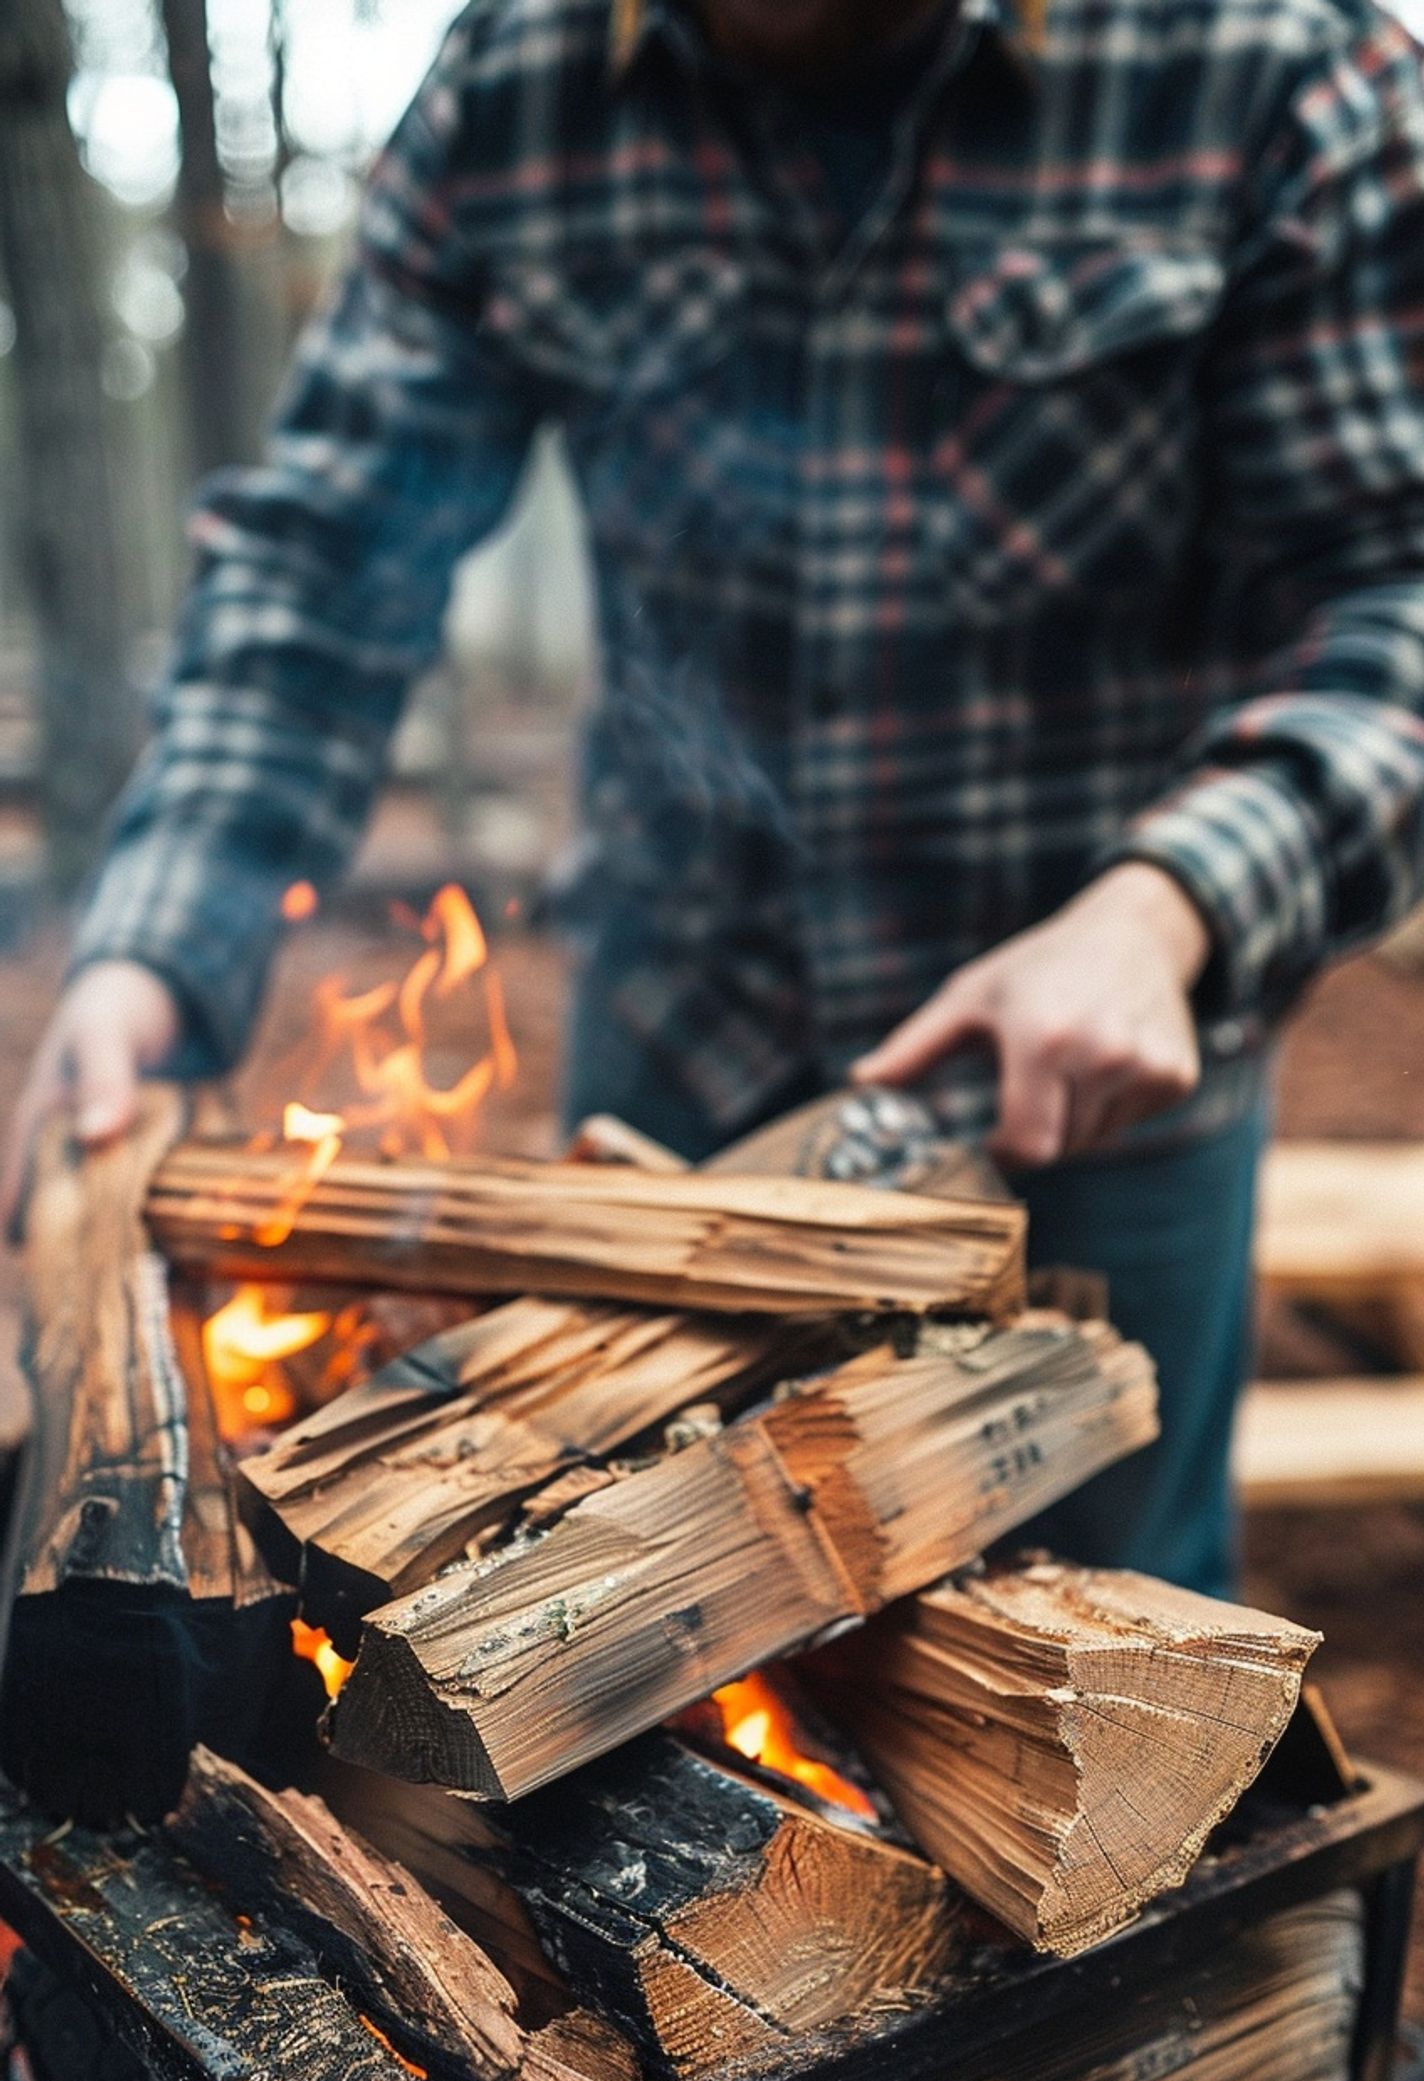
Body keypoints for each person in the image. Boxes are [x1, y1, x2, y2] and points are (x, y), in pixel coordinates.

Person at [11, 0, 1424, 1607]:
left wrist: (1172, 904)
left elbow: (1400, 589)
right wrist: (154, 945)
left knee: (1109, 1669)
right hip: (681, 1057)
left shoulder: (1270, 63)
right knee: (613, 1651)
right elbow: (324, 563)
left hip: (1090, 1081)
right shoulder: (518, 80)